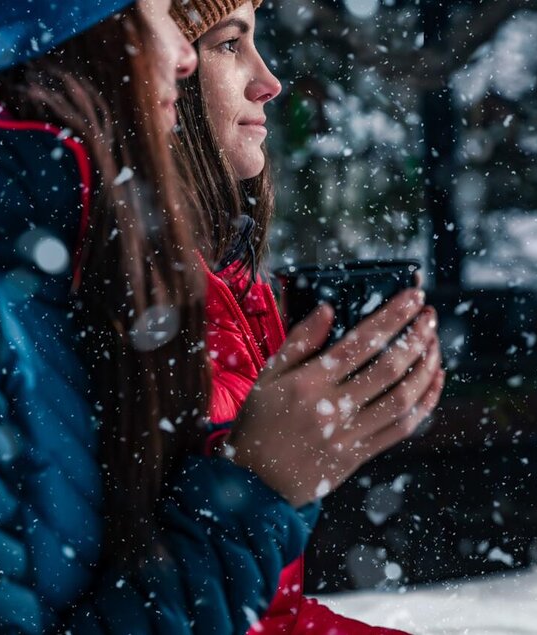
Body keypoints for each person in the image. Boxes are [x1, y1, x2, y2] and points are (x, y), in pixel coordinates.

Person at [0, 0, 441, 633]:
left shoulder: (36, 273)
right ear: (70, 30)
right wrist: (258, 489)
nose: (181, 55)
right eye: (157, 13)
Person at [170, 1, 445, 633]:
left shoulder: (239, 290)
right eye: (229, 45)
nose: (268, 82)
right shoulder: (122, 300)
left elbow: (269, 613)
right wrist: (262, 483)